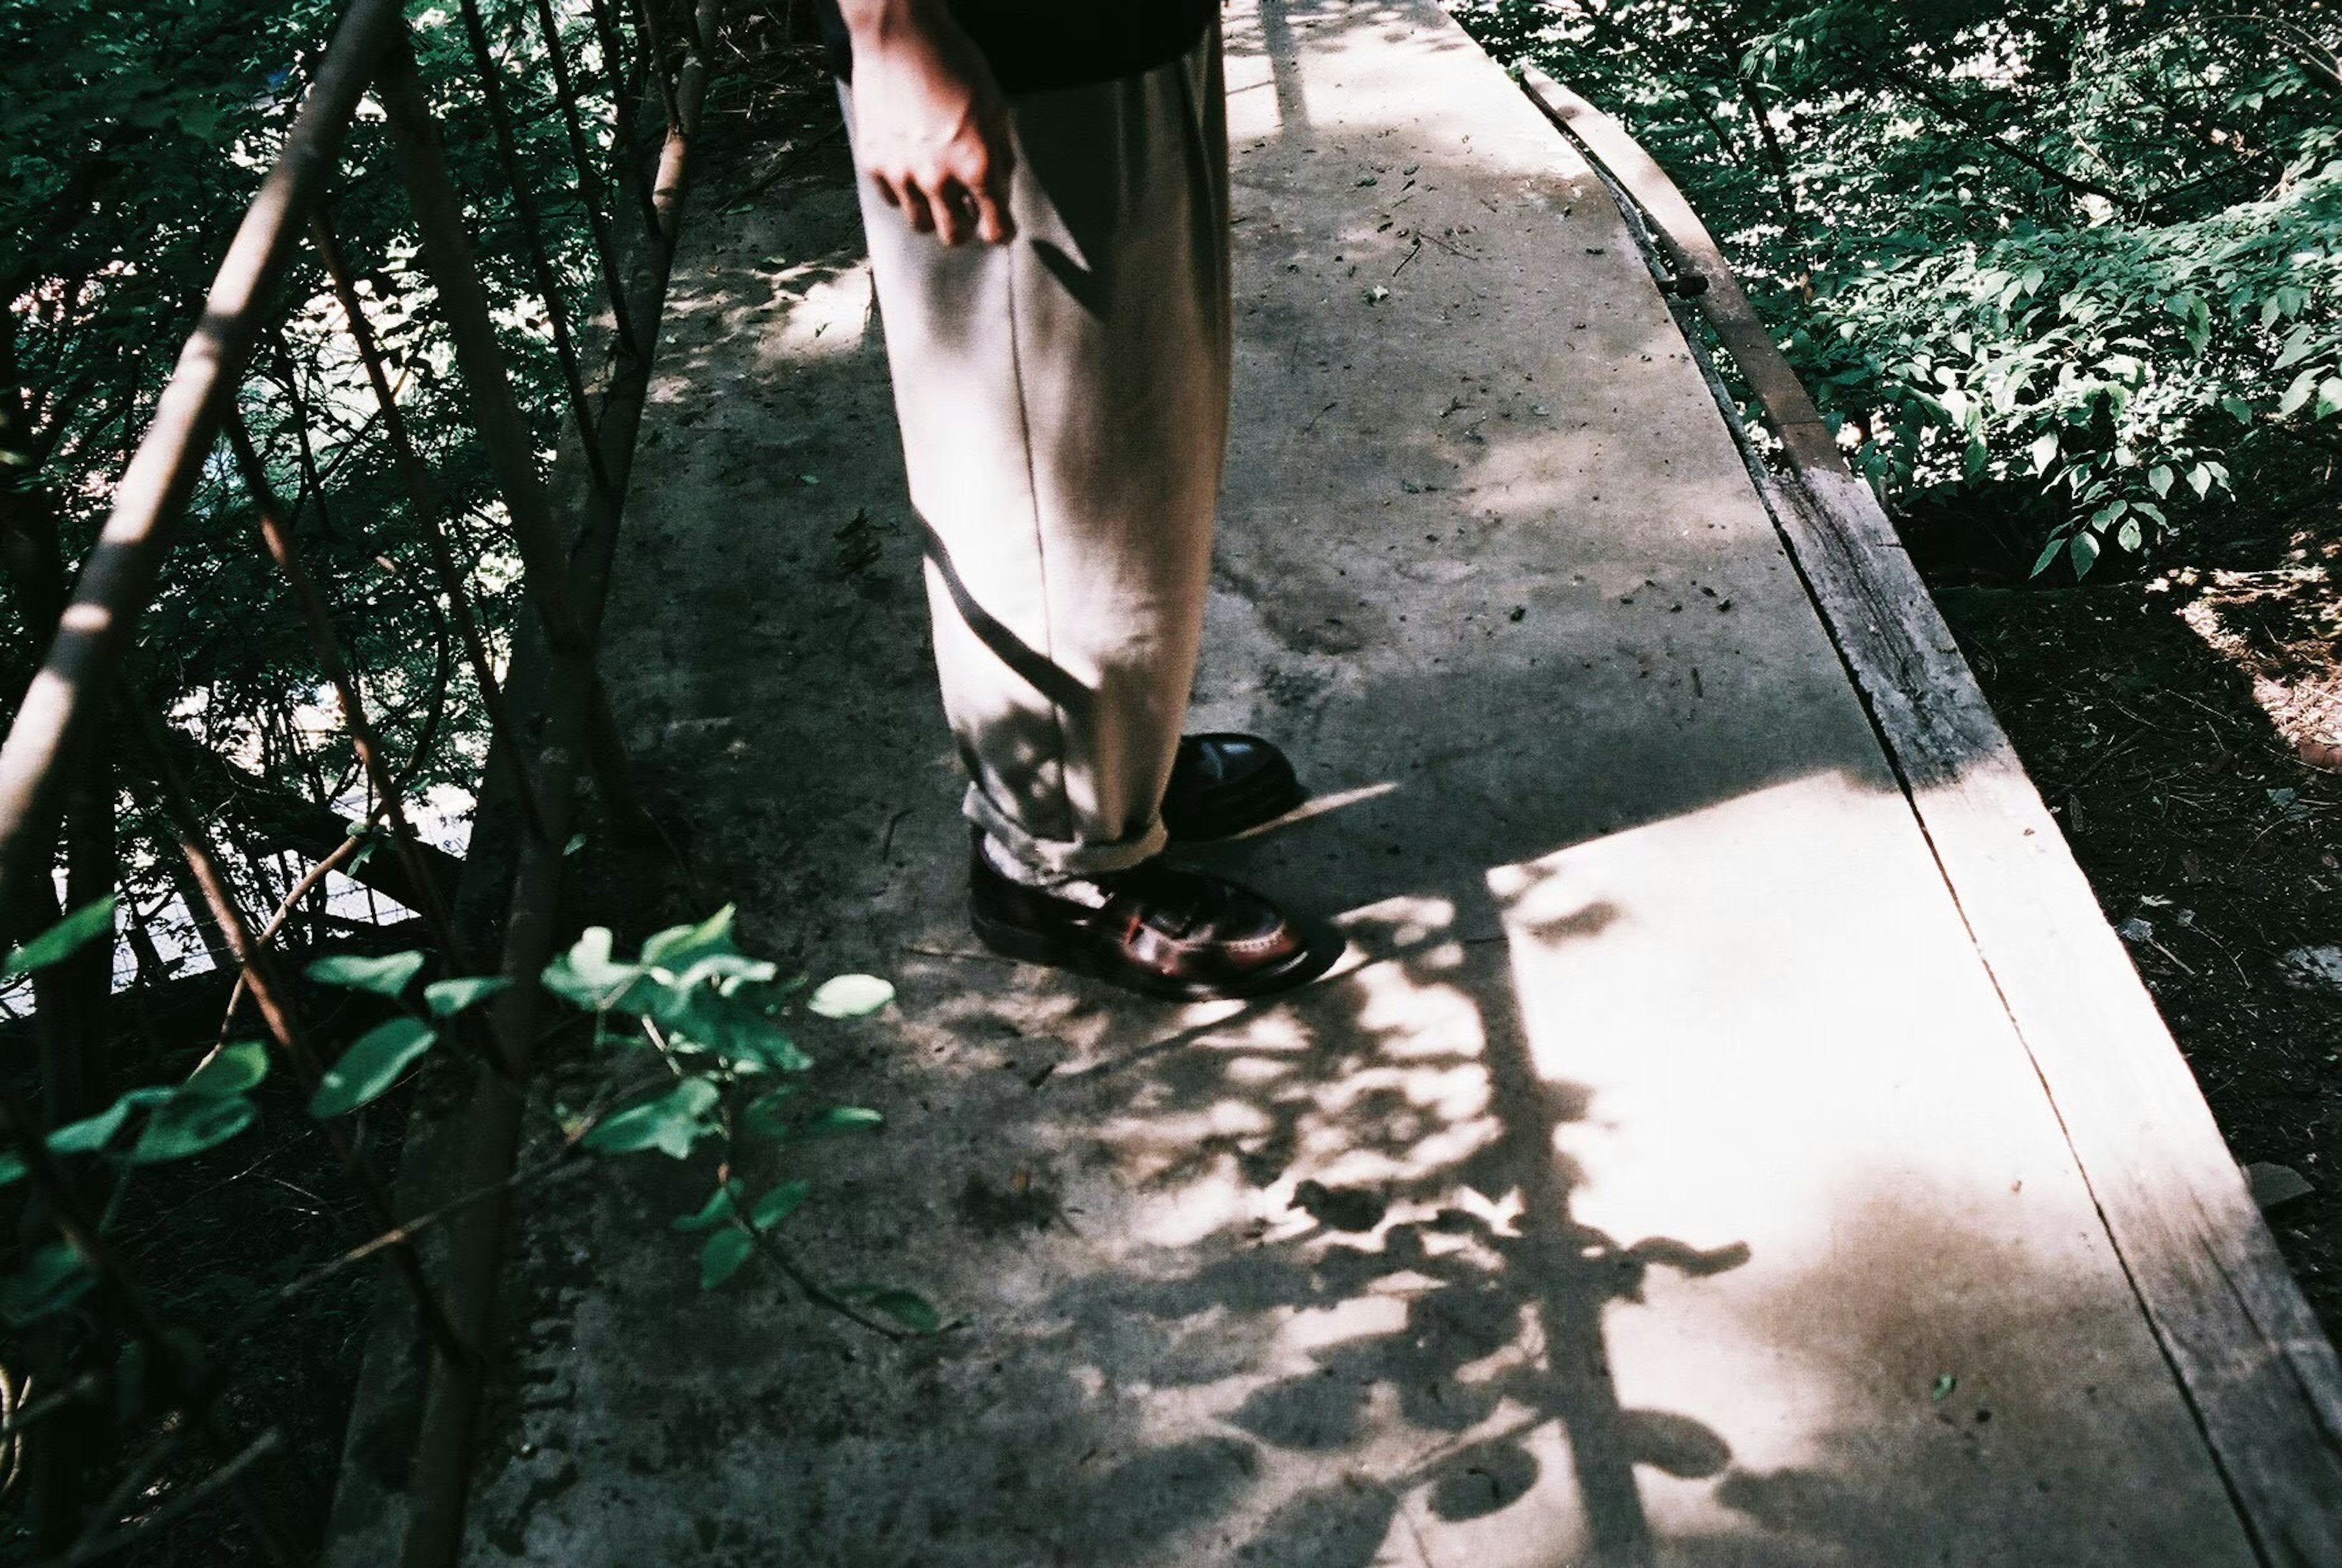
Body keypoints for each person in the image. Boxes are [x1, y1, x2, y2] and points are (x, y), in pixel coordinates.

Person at [823, 0, 1333, 1000]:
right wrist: (890, 32)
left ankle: (1113, 769)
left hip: (1120, 31)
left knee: (1137, 445)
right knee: (1049, 480)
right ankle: (1054, 861)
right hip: (1000, 50)